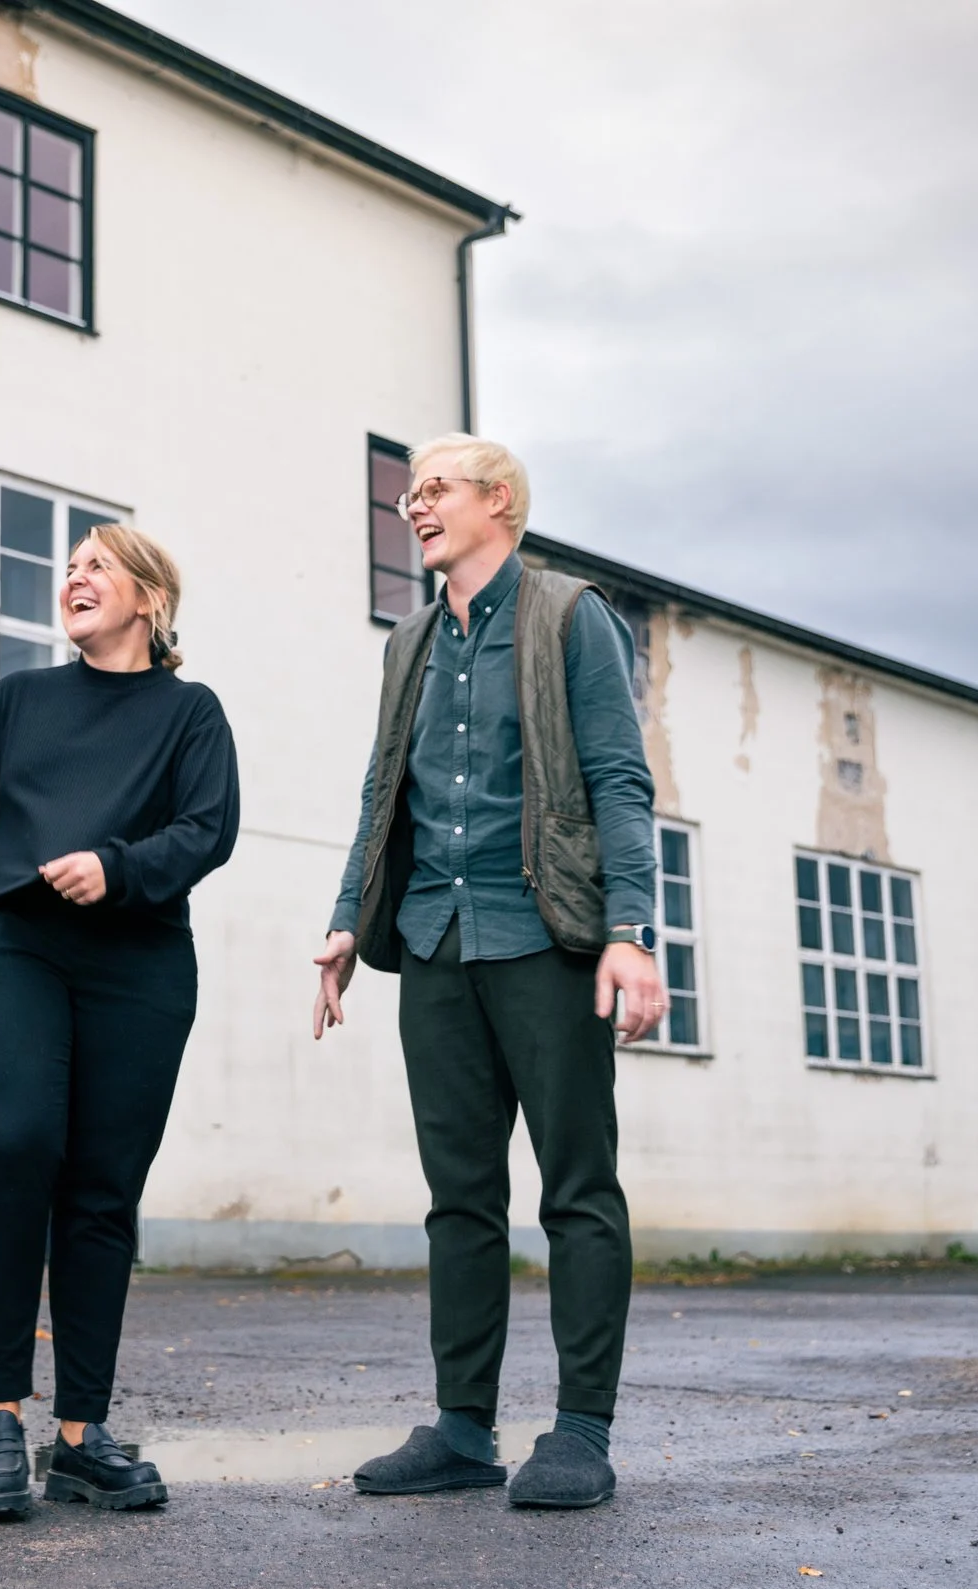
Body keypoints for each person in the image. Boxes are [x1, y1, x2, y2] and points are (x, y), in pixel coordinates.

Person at [312, 436, 663, 1511]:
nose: (412, 504)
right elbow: (385, 790)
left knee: (576, 1188)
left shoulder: (568, 615)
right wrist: (342, 923)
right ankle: (463, 1426)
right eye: (407, 490)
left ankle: (581, 1430)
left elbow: (616, 773)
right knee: (459, 1197)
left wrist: (631, 927)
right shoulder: (408, 641)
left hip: (543, 934)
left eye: (434, 488)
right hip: (431, 940)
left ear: (497, 501)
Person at [0, 525, 240, 1521]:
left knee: (100, 1190)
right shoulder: (18, 702)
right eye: (71, 567)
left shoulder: (189, 712)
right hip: (15, 941)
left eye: (98, 566)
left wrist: (117, 866)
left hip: (138, 961)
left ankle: (82, 1436)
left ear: (149, 599)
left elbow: (205, 826)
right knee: (12, 1141)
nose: (74, 578)